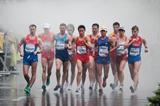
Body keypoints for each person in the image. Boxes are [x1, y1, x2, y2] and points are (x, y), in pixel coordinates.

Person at [18, 24, 42, 94]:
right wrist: (21, 52)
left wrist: (38, 51)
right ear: (29, 29)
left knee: (33, 74)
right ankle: (29, 83)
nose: (32, 30)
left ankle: (29, 87)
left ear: (35, 29)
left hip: (34, 58)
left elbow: (42, 49)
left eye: (33, 29)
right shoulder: (25, 38)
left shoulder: (38, 39)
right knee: (25, 74)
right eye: (31, 29)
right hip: (26, 58)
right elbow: (19, 45)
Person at [127, 25, 148, 93]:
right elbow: (125, 46)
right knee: (132, 75)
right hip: (130, 59)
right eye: (133, 31)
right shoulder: (129, 38)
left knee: (135, 72)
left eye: (135, 31)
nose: (134, 33)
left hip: (137, 58)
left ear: (138, 31)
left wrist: (146, 47)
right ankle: (136, 83)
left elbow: (145, 42)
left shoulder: (141, 39)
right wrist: (131, 42)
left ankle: (134, 87)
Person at [54, 23, 70, 93]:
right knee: (57, 68)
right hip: (58, 54)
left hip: (65, 54)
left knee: (65, 71)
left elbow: (68, 44)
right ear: (59, 28)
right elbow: (52, 43)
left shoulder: (67, 36)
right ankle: (58, 83)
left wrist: (68, 46)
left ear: (65, 29)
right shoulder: (56, 36)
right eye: (61, 28)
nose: (62, 29)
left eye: (63, 28)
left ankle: (62, 86)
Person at [39, 23, 54, 91]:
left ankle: (48, 78)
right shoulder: (40, 35)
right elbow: (37, 42)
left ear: (49, 29)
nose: (46, 30)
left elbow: (58, 41)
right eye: (45, 29)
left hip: (51, 54)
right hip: (44, 54)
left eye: (47, 29)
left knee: (49, 71)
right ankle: (43, 84)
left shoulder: (53, 35)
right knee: (44, 69)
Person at [75, 25, 91, 93]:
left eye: (82, 31)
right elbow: (73, 46)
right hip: (79, 57)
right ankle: (78, 86)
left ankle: (82, 84)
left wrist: (85, 43)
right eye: (80, 31)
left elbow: (90, 46)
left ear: (84, 31)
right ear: (78, 31)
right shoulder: (76, 38)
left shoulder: (86, 38)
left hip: (86, 57)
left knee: (84, 72)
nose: (81, 32)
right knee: (79, 71)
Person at [96, 28, 112, 94]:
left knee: (106, 75)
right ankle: (100, 88)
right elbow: (95, 47)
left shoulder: (109, 39)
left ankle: (104, 79)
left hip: (106, 59)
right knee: (99, 73)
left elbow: (113, 46)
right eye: (101, 31)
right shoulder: (98, 39)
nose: (102, 33)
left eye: (104, 31)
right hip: (99, 58)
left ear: (106, 32)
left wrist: (110, 51)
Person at [115, 27, 128, 92]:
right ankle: (120, 84)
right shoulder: (116, 38)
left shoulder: (126, 38)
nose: (121, 32)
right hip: (117, 56)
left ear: (124, 31)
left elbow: (127, 44)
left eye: (122, 31)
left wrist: (125, 45)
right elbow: (113, 45)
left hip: (124, 56)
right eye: (120, 31)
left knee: (120, 69)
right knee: (118, 71)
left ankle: (121, 84)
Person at [87, 23, 100, 90]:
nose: (94, 30)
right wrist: (90, 45)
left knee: (97, 70)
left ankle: (97, 83)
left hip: (98, 54)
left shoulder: (100, 36)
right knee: (90, 67)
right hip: (91, 54)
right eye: (93, 28)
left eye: (95, 28)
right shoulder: (89, 36)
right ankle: (91, 82)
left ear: (98, 29)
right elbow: (88, 43)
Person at [109, 22, 120, 90]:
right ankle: (115, 83)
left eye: (117, 27)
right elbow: (109, 42)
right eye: (114, 27)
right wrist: (112, 42)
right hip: (112, 54)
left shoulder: (121, 34)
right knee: (114, 69)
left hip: (119, 54)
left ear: (119, 27)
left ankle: (119, 84)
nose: (115, 28)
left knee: (119, 70)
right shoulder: (111, 35)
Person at [66, 24, 77, 90]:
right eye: (68, 29)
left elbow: (77, 45)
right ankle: (66, 83)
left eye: (71, 29)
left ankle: (70, 84)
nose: (70, 31)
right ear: (67, 30)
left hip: (73, 55)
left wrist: (73, 48)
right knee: (66, 69)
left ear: (73, 30)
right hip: (67, 54)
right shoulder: (65, 37)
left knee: (73, 70)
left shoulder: (75, 37)